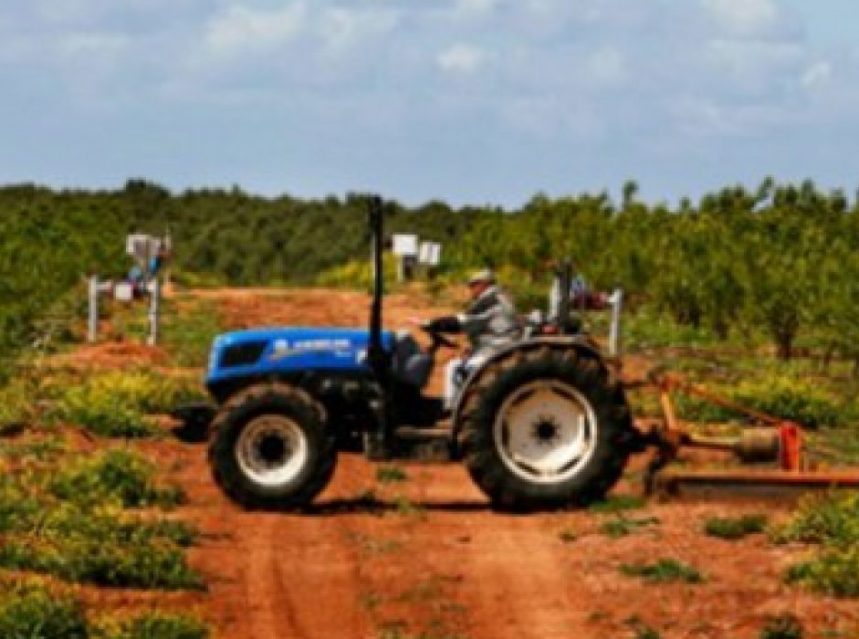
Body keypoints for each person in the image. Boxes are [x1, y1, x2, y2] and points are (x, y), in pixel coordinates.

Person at [423, 269, 520, 408]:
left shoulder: (490, 301)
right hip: (494, 347)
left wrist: (434, 323)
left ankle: (456, 407)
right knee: (454, 365)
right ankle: (452, 406)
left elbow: (465, 322)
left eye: (473, 285)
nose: (471, 289)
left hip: (497, 350)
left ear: (484, 285)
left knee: (460, 368)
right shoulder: (499, 298)